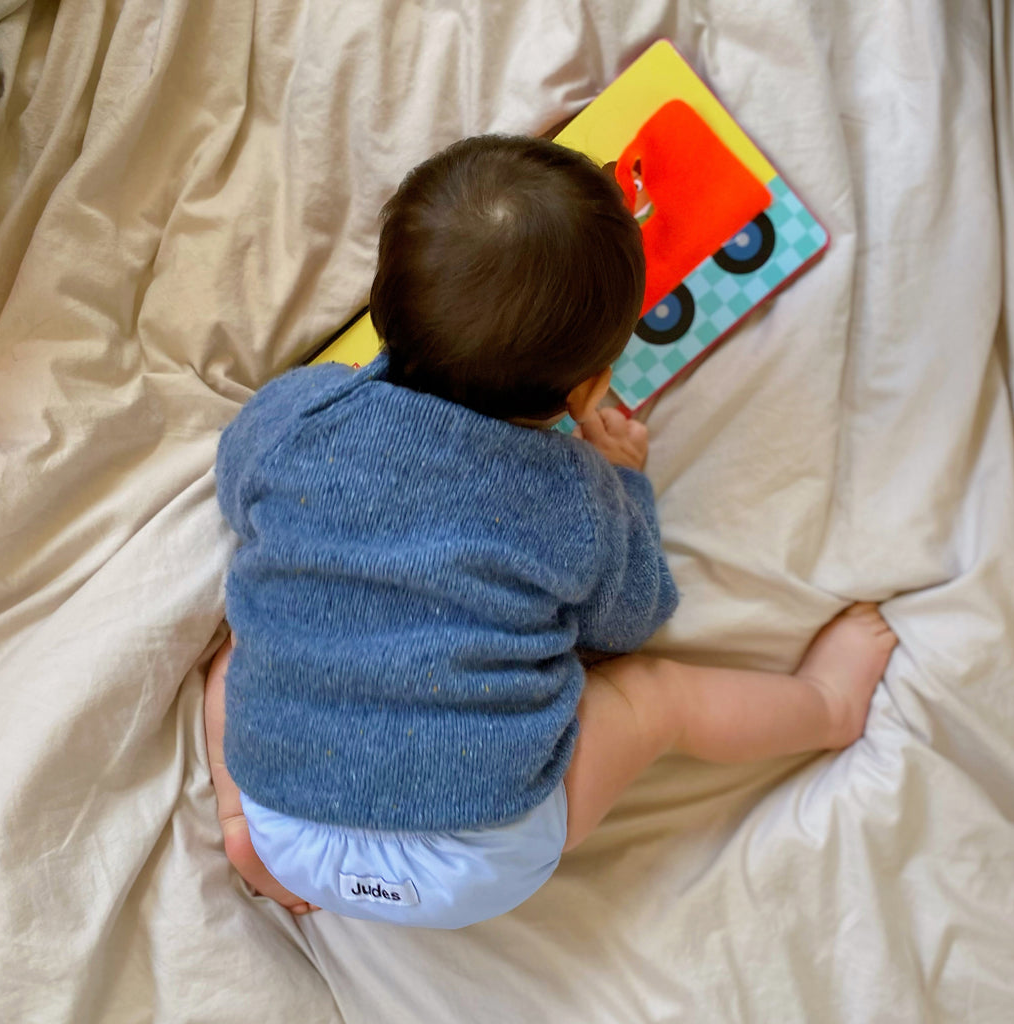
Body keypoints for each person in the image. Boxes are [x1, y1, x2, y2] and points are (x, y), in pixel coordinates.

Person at [205, 134, 896, 927]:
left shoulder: (299, 415)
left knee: (239, 642)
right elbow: (629, 622)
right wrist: (626, 482)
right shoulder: (578, 495)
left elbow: (236, 486)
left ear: (381, 301)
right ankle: (825, 705)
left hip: (287, 825)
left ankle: (234, 828)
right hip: (481, 851)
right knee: (655, 699)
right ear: (588, 389)